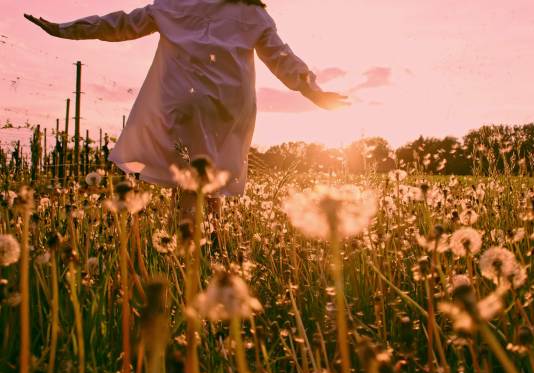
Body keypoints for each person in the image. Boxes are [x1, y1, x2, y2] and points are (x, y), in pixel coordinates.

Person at [25, 0, 348, 216]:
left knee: (189, 179)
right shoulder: (253, 13)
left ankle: (191, 248)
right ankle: (204, 248)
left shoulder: (175, 2)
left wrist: (65, 30)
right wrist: (312, 91)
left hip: (181, 99)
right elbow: (281, 57)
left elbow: (121, 24)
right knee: (207, 180)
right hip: (227, 106)